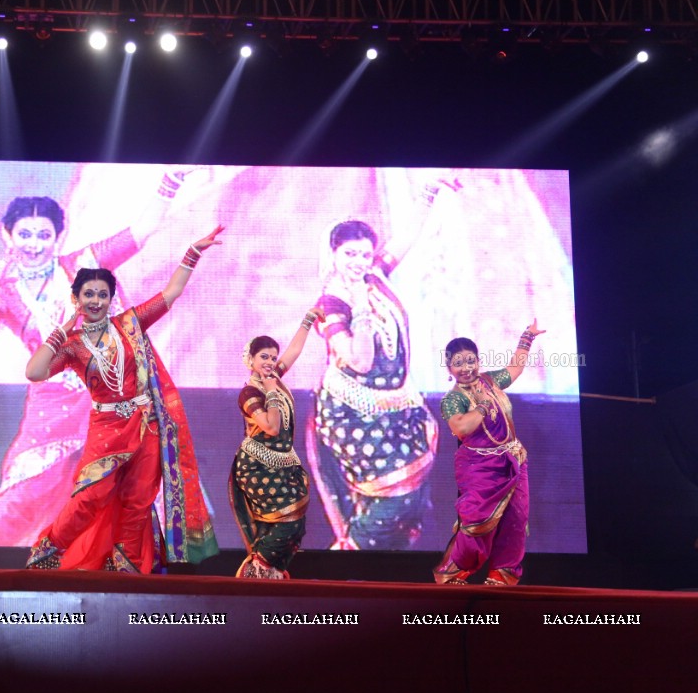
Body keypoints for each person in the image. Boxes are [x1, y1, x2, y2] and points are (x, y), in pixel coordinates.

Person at [0, 172, 196, 548]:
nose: (34, 244)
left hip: (115, 395)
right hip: (55, 406)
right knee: (25, 497)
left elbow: (140, 234)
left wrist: (170, 184)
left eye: (44, 235)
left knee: (125, 489)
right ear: (7, 235)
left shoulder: (81, 265)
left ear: (58, 237)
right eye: (25, 234)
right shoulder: (1, 292)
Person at [23, 228, 224, 573]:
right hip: (106, 428)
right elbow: (35, 372)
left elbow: (171, 293)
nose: (96, 301)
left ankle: (127, 568)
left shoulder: (130, 323)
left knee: (138, 500)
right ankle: (47, 552)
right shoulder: (71, 345)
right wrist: (60, 332)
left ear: (112, 298)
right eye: (88, 294)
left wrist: (192, 253)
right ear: (76, 298)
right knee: (88, 498)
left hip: (145, 426)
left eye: (103, 294)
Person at [306, 219, 438, 550]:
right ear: (333, 254)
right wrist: (361, 308)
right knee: (392, 502)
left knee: (414, 502)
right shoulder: (331, 304)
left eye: (366, 255)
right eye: (350, 254)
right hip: (353, 417)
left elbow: (406, 237)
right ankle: (343, 570)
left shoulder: (372, 276)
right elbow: (360, 361)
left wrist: (430, 193)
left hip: (395, 409)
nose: (359, 263)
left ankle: (388, 577)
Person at [434, 323, 544, 585]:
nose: (466, 367)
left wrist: (526, 337)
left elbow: (515, 368)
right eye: (458, 363)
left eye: (470, 360)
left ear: (478, 360)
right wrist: (482, 406)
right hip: (480, 467)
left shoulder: (490, 381)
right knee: (477, 524)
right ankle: (453, 573)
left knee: (516, 520)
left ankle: (502, 574)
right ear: (449, 368)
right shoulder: (453, 399)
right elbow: (461, 426)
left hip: (513, 460)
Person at [230, 311, 323, 579]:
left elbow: (293, 352)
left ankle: (272, 575)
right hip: (258, 466)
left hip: (282, 462)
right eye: (264, 357)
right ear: (251, 360)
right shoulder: (250, 393)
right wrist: (271, 391)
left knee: (297, 526)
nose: (271, 362)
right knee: (286, 523)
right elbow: (271, 426)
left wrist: (308, 320)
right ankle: (255, 571)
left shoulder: (273, 379)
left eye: (273, 357)